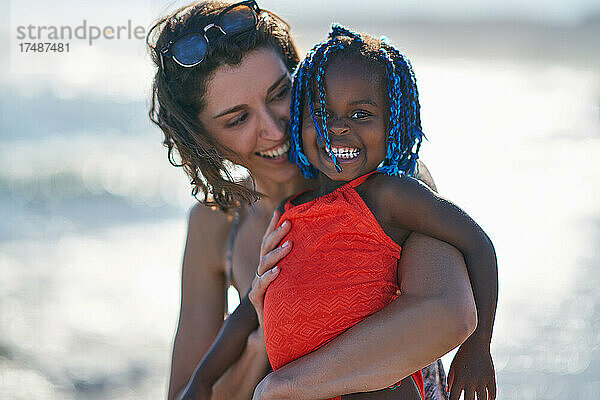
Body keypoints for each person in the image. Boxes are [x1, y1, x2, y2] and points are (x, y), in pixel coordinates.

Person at [146, 1, 495, 399]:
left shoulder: (389, 181)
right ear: (202, 141)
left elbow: (451, 315)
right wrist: (260, 338)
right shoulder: (215, 224)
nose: (275, 129)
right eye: (238, 119)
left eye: (280, 93)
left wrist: (286, 381)